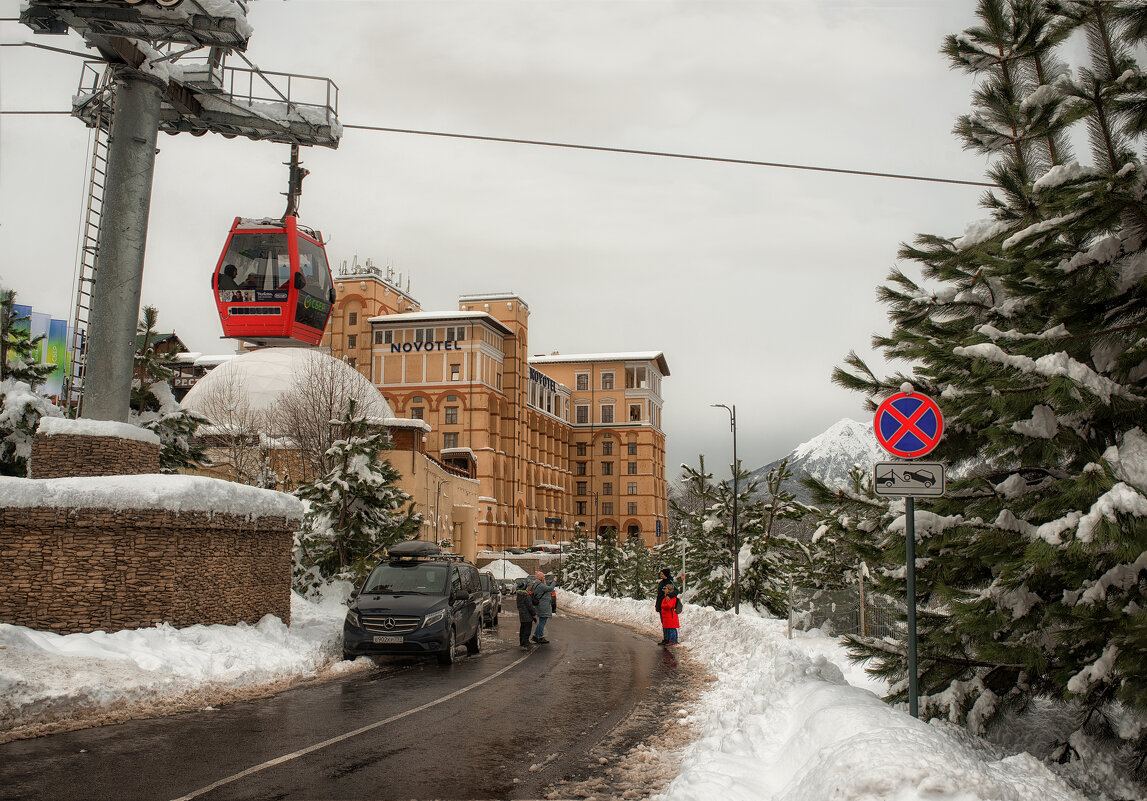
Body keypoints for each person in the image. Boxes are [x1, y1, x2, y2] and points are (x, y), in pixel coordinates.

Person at [530, 570, 558, 644]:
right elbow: (550, 588)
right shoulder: (540, 585)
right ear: (540, 578)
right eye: (543, 577)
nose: (544, 578)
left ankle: (536, 636)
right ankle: (539, 636)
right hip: (543, 606)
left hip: (540, 605)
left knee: (542, 621)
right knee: (542, 621)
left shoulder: (536, 584)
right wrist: (554, 581)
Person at [516, 578, 537, 649]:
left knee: (522, 627)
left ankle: (522, 641)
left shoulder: (519, 595)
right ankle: (525, 642)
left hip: (522, 614)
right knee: (527, 629)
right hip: (527, 615)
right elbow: (530, 606)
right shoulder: (526, 595)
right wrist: (534, 615)